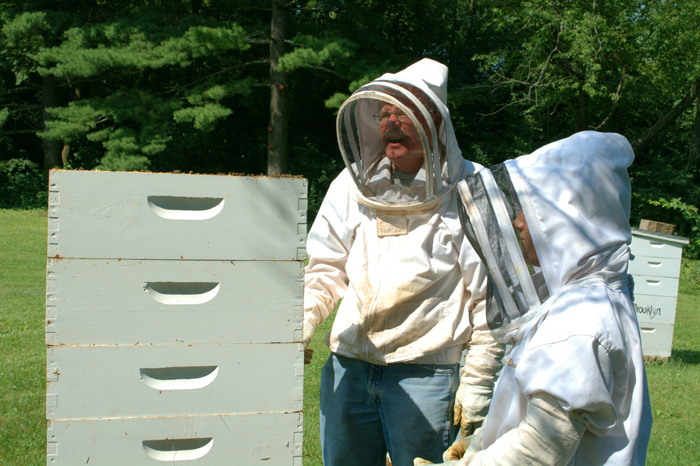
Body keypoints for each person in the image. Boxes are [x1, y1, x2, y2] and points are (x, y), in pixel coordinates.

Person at [302, 58, 505, 466]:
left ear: (435, 121)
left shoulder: (471, 189)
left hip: (427, 375)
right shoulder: (352, 184)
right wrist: (301, 324)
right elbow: (324, 267)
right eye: (385, 113)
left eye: (404, 113)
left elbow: (491, 297)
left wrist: (479, 381)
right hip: (349, 368)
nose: (391, 123)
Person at [415, 131, 653, 466]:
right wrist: (486, 438)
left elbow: (541, 447)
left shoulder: (581, 322)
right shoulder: (590, 297)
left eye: (528, 209)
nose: (516, 222)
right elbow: (542, 409)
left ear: (568, 215)